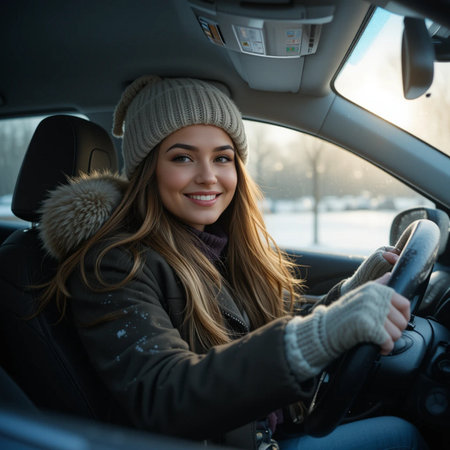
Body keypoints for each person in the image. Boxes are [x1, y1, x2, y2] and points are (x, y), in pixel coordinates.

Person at [38, 75, 427, 449]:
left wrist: (353, 292)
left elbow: (268, 328)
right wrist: (327, 331)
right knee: (405, 436)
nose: (208, 176)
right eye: (183, 157)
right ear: (148, 171)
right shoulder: (113, 266)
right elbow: (165, 395)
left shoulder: (213, 246)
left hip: (262, 432)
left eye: (222, 158)